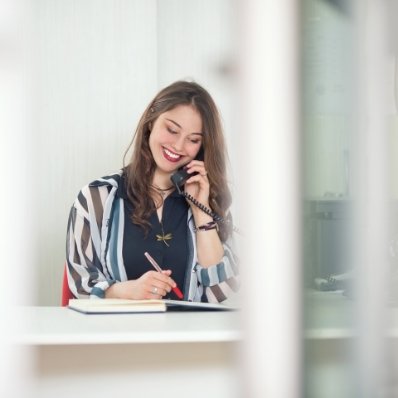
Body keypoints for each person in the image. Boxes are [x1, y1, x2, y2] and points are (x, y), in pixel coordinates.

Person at [66, 80, 239, 303]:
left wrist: (200, 211)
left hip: (187, 335)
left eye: (193, 140)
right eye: (172, 130)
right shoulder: (96, 198)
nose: (178, 146)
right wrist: (125, 291)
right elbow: (80, 284)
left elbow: (221, 288)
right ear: (151, 123)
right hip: (118, 333)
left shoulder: (209, 202)